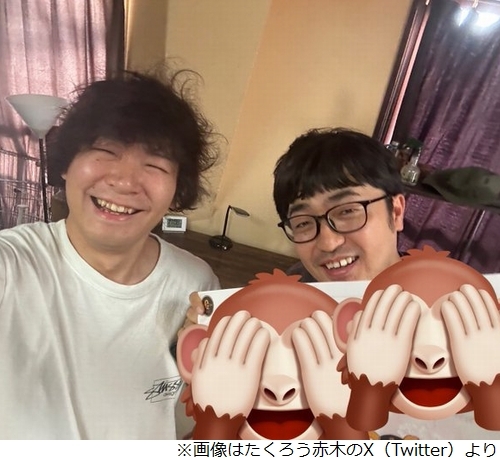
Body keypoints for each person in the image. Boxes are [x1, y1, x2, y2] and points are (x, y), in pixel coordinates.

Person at [0, 68, 220, 439]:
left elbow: (194, 408)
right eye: (105, 151)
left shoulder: (196, 283)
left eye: (155, 164)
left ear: (177, 191)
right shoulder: (13, 265)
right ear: (66, 165)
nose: (124, 181)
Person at [273, 127, 405, 283]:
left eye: (347, 211)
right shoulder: (294, 287)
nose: (328, 244)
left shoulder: (430, 292)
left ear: (396, 212)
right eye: (303, 223)